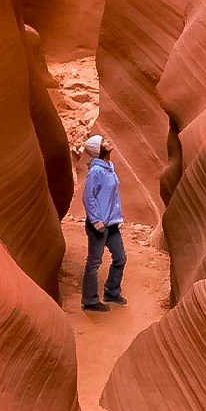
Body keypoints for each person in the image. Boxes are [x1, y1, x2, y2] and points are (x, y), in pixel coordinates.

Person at [81, 134, 126, 312]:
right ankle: (90, 300)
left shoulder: (109, 167)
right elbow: (88, 197)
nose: (109, 142)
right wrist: (96, 220)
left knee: (120, 257)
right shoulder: (96, 171)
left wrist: (115, 217)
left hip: (112, 223)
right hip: (98, 225)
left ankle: (111, 291)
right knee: (94, 262)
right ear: (98, 149)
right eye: (104, 142)